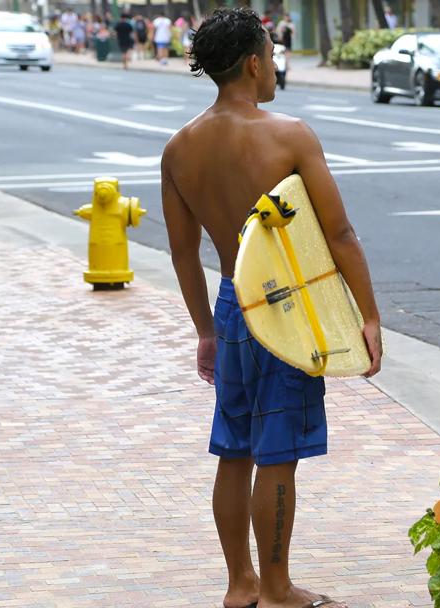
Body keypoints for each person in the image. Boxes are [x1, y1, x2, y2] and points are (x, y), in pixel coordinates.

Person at [161, 7, 381, 608]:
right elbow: (339, 235)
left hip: (234, 303)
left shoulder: (180, 148)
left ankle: (240, 586)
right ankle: (279, 588)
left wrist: (205, 329)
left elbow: (183, 254)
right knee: (277, 449)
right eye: (272, 55)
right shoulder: (289, 136)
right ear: (254, 63)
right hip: (288, 306)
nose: (275, 67)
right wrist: (369, 316)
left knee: (234, 448)